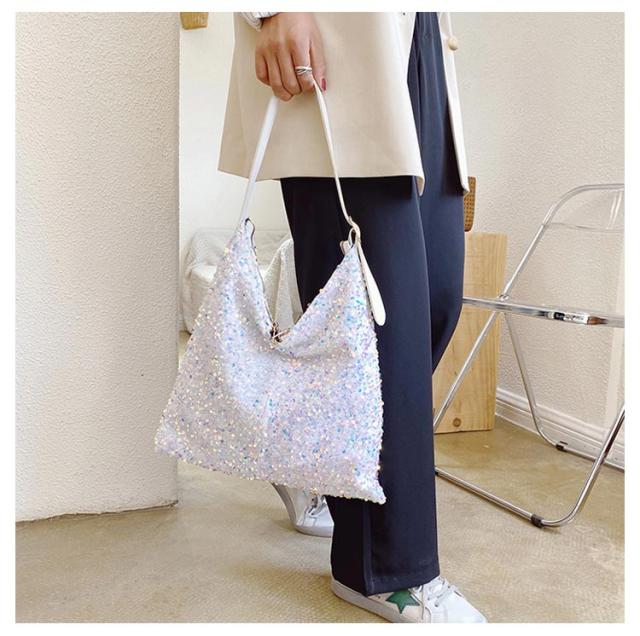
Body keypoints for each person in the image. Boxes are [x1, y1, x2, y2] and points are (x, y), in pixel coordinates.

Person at [218, 12, 486, 623]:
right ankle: (384, 570)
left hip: (419, 38)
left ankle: (312, 458)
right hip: (335, 37)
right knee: (376, 324)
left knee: (436, 298)